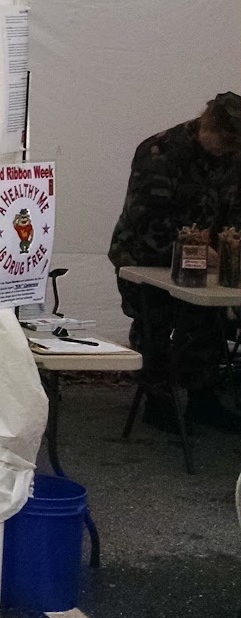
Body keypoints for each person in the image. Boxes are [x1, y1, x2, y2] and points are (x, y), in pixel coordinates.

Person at [109, 92, 241, 433]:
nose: (227, 151)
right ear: (209, 125)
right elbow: (147, 220)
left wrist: (229, 247)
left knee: (208, 322)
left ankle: (203, 399)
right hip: (145, 257)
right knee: (154, 324)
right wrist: (197, 250)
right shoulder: (160, 152)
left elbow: (234, 211)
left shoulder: (233, 156)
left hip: (204, 263)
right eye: (225, 142)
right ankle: (158, 401)